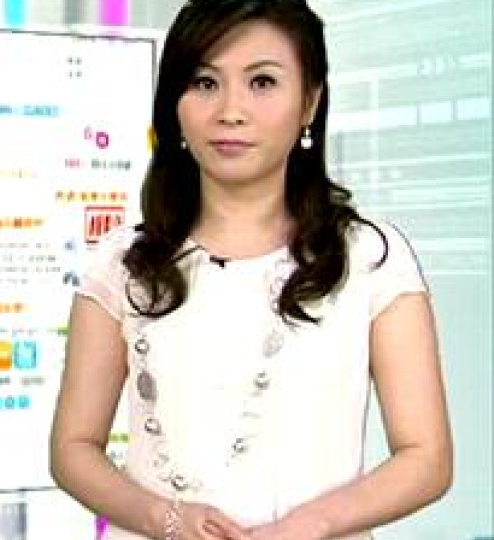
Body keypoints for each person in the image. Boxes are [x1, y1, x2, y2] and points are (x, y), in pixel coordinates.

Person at [49, 2, 453, 540]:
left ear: (310, 101)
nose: (230, 111)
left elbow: (426, 458)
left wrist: (309, 526)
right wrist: (167, 519)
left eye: (262, 82)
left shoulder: (369, 258)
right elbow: (73, 448)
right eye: (204, 82)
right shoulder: (123, 262)